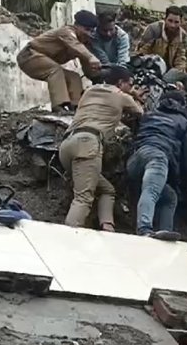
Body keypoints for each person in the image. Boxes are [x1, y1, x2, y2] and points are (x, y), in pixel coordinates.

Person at [59, 65, 144, 231]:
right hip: (88, 145)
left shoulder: (89, 91)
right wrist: (134, 97)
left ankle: (107, 226)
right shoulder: (121, 96)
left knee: (107, 190)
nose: (132, 88)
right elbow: (140, 113)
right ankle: (68, 239)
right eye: (130, 84)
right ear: (121, 83)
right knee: (83, 198)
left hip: (67, 145)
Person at [128, 91, 187, 241]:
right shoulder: (183, 123)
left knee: (169, 196)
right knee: (152, 190)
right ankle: (144, 229)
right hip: (157, 157)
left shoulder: (149, 115)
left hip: (136, 159)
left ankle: (164, 231)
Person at [17, 10, 102, 113]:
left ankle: (76, 107)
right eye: (87, 29)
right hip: (29, 55)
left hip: (44, 59)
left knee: (74, 77)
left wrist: (97, 76)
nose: (89, 33)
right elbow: (76, 46)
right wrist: (91, 57)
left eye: (91, 31)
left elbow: (86, 65)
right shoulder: (67, 32)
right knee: (55, 70)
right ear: (77, 26)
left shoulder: (83, 43)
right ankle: (58, 106)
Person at [136, 6, 187, 85]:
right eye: (170, 21)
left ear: (180, 22)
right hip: (151, 66)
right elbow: (142, 51)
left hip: (169, 71)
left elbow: (181, 59)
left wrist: (176, 72)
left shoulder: (182, 35)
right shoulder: (154, 29)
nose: (172, 25)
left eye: (176, 22)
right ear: (165, 19)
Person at [87, 11, 130, 78]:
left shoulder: (122, 37)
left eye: (111, 30)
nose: (108, 34)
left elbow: (123, 60)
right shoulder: (93, 36)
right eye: (104, 30)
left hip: (118, 69)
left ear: (115, 25)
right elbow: (102, 57)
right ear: (98, 27)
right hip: (100, 68)